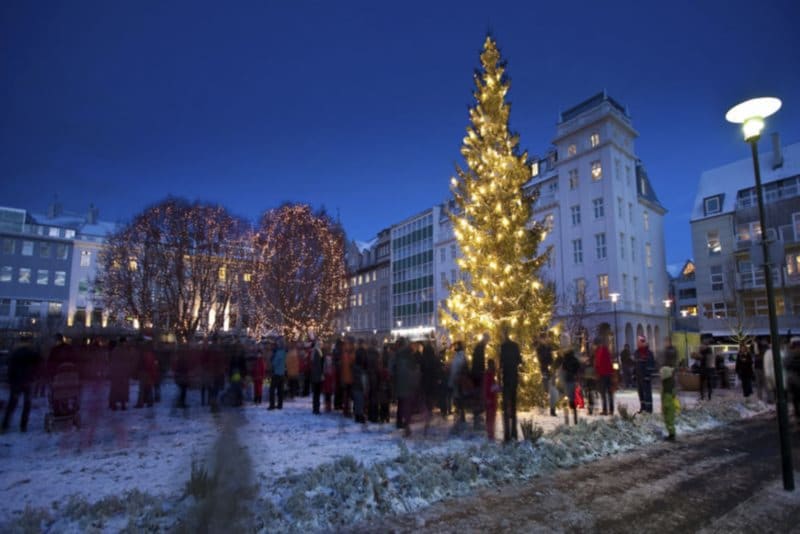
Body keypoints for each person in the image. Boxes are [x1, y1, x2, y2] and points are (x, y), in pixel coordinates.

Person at [2, 334, 41, 433]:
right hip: (28, 381)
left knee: (12, 404)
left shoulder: (15, 353)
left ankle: (5, 425)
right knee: (27, 404)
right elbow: (39, 364)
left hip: (16, 382)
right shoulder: (32, 352)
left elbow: (10, 368)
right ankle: (23, 426)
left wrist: (10, 380)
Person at [499, 328, 521, 442]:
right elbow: (519, 360)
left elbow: (501, 363)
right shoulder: (515, 346)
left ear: (504, 335)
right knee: (513, 404)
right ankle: (514, 432)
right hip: (514, 377)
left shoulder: (503, 347)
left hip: (507, 378)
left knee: (505, 405)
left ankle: (507, 434)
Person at [392, 337, 417, 436]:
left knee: (401, 403)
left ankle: (400, 422)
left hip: (400, 383)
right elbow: (413, 370)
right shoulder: (408, 356)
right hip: (407, 383)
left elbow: (393, 370)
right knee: (406, 404)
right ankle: (406, 424)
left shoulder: (397, 355)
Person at [660, 337, 679, 441]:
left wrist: (664, 406)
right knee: (668, 419)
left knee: (669, 419)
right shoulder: (668, 382)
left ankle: (672, 434)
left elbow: (667, 394)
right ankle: (671, 433)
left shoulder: (667, 382)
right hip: (669, 372)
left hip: (668, 399)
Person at [471, 333, 489, 429]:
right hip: (478, 374)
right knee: (478, 393)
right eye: (487, 340)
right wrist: (482, 371)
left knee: (478, 393)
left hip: (476, 373)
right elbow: (479, 361)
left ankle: (477, 412)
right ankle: (477, 413)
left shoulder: (479, 346)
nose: (488, 342)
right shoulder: (480, 347)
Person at [536, 334, 557, 416]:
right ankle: (542, 407)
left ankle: (553, 410)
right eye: (544, 339)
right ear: (541, 340)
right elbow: (541, 358)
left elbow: (551, 358)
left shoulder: (549, 348)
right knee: (545, 390)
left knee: (552, 390)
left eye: (546, 338)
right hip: (544, 370)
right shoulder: (539, 348)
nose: (546, 340)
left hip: (550, 370)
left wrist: (552, 365)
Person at [635, 336, 655, 413]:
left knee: (647, 393)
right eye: (638, 342)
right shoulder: (637, 353)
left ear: (643, 343)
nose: (638, 343)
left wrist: (648, 375)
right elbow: (635, 364)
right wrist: (634, 374)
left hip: (645, 377)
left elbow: (651, 365)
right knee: (641, 393)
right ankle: (643, 408)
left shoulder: (648, 353)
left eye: (639, 342)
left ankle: (649, 409)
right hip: (639, 376)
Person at [560, 348, 581, 425]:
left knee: (568, 396)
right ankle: (575, 416)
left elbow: (563, 370)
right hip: (573, 379)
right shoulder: (574, 359)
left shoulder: (565, 360)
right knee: (573, 397)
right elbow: (578, 367)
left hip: (567, 380)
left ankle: (567, 419)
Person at [594, 338, 614, 415]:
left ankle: (605, 410)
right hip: (609, 373)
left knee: (603, 393)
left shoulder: (600, 351)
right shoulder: (606, 351)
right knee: (609, 393)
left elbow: (598, 363)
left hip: (603, 375)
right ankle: (611, 409)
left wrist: (597, 373)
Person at [784, 337, 800, 425]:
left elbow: (785, 364)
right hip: (794, 381)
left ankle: (797, 416)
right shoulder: (789, 354)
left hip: (792, 381)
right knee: (796, 400)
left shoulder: (788, 354)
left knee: (795, 400)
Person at [268, 338, 286, 410]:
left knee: (272, 389)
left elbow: (275, 363)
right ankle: (280, 405)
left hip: (276, 373)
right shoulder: (284, 352)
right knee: (280, 390)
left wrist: (271, 363)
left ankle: (272, 405)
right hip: (282, 373)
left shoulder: (278, 353)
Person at [483, 359, 499, 441]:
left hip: (492, 399)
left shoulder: (490, 375)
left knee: (491, 418)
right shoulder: (489, 375)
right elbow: (489, 388)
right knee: (490, 418)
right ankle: (490, 435)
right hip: (491, 400)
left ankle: (491, 434)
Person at [310, 340, 324, 414]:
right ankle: (316, 409)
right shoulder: (317, 352)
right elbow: (318, 365)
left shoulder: (315, 352)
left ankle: (316, 408)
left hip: (315, 375)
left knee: (316, 393)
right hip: (317, 376)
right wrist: (321, 374)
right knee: (316, 393)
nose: (322, 345)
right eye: (321, 344)